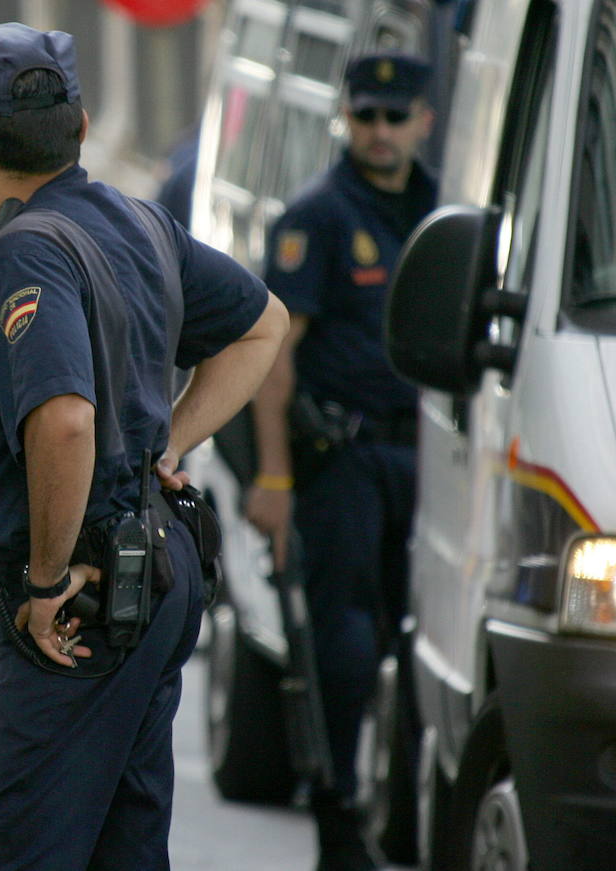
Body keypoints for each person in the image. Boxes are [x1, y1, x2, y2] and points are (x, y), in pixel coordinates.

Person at [0, 23, 288, 870]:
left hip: (87, 602)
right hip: (148, 578)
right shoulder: (136, 220)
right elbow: (260, 325)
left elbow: (63, 419)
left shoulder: (28, 251)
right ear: (82, 126)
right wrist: (171, 438)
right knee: (122, 848)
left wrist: (48, 578)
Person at [246, 53, 437, 871]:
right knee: (345, 644)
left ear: (424, 119)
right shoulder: (318, 216)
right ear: (346, 118)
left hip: (428, 453)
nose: (381, 132)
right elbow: (273, 359)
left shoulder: (447, 205)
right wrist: (276, 477)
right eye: (366, 116)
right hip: (344, 458)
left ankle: (405, 812)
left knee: (419, 639)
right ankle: (336, 813)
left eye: (396, 116)